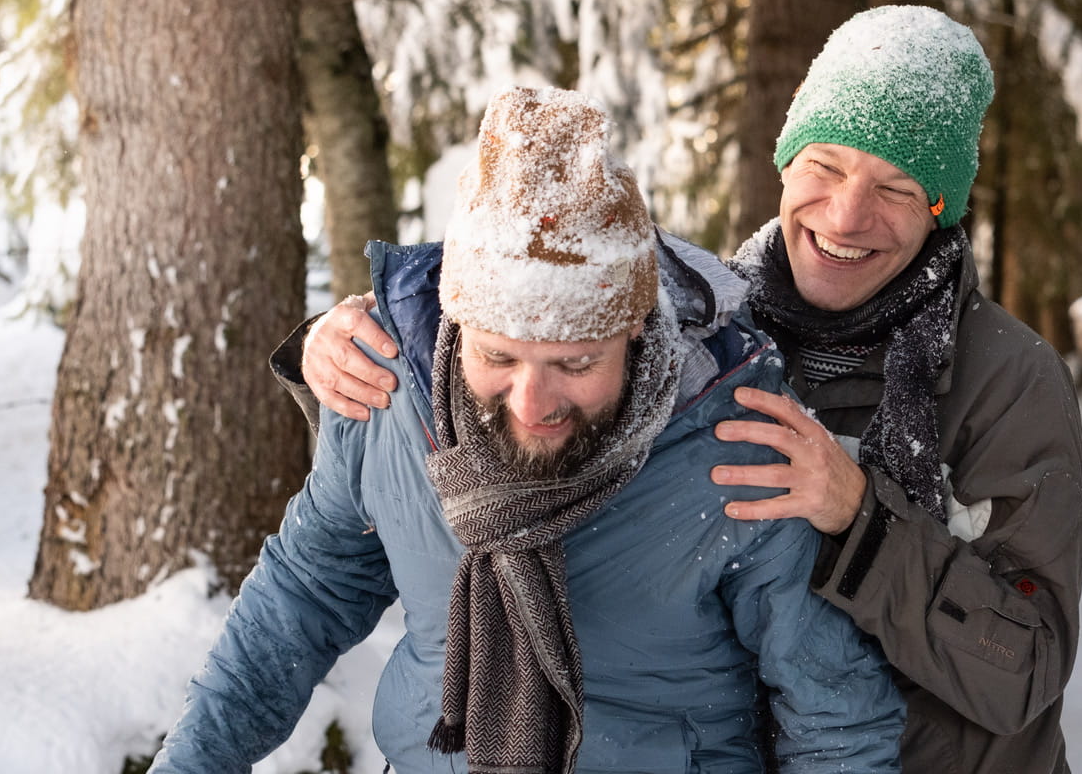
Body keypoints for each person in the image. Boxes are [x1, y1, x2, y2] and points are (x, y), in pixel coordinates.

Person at [291, 8, 1082, 772]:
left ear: (941, 210)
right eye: (827, 166)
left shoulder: (1005, 382)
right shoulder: (708, 336)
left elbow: (1026, 668)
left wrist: (860, 518)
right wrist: (354, 343)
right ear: (785, 160)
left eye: (898, 188)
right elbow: (531, 330)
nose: (847, 215)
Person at [154, 87, 904, 773]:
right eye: (498, 356)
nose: (531, 400)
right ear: (455, 323)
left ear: (638, 333)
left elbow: (837, 715)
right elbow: (304, 595)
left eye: (575, 362)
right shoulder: (386, 388)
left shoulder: (740, 443)